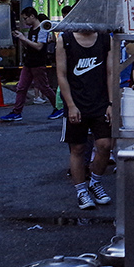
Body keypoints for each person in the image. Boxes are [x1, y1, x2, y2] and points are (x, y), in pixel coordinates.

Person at [56, 28, 114, 210]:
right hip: (76, 102)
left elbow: (111, 72)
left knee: (105, 145)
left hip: (100, 102)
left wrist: (112, 103)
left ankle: (95, 182)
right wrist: (71, 105)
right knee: (78, 148)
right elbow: (61, 75)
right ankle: (81, 191)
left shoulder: (106, 38)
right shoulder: (64, 40)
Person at [0, 7, 63, 122]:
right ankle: (16, 112)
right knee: (21, 87)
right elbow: (31, 46)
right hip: (29, 62)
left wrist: (23, 38)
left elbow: (39, 46)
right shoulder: (32, 29)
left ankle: (58, 108)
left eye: (25, 19)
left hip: (37, 63)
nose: (24, 21)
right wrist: (22, 39)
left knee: (44, 87)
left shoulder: (42, 29)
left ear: (32, 16)